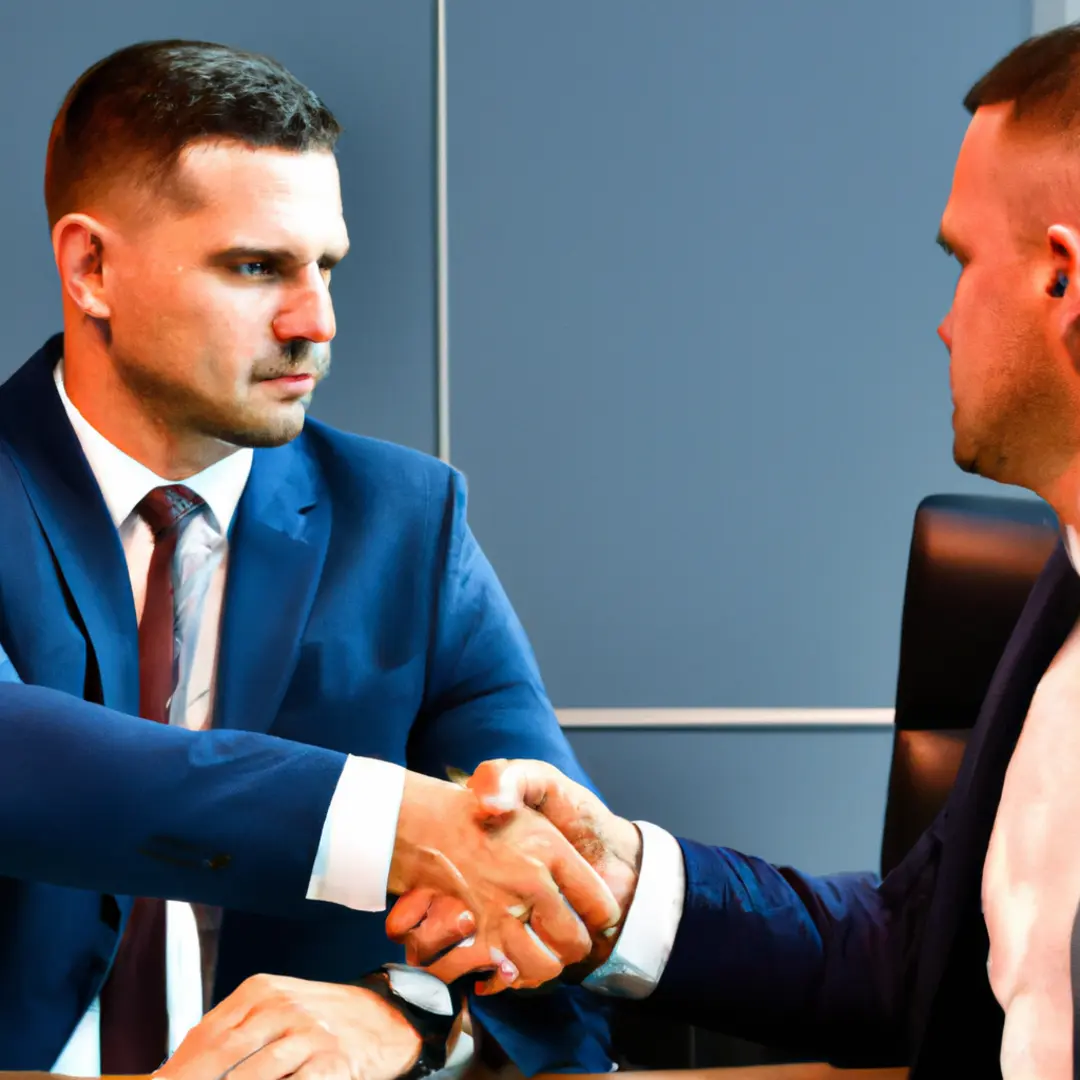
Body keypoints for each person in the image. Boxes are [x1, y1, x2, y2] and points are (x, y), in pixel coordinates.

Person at [390, 23, 1080, 1080]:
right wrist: (620, 884)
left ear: (1062, 281)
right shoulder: (1054, 599)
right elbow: (913, 955)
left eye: (963, 259)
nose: (945, 321)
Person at [0, 38, 627, 1077]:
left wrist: (413, 1015)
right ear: (91, 267)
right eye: (256, 268)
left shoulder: (407, 526)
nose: (316, 322)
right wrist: (392, 825)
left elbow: (558, 899)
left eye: (324, 266)